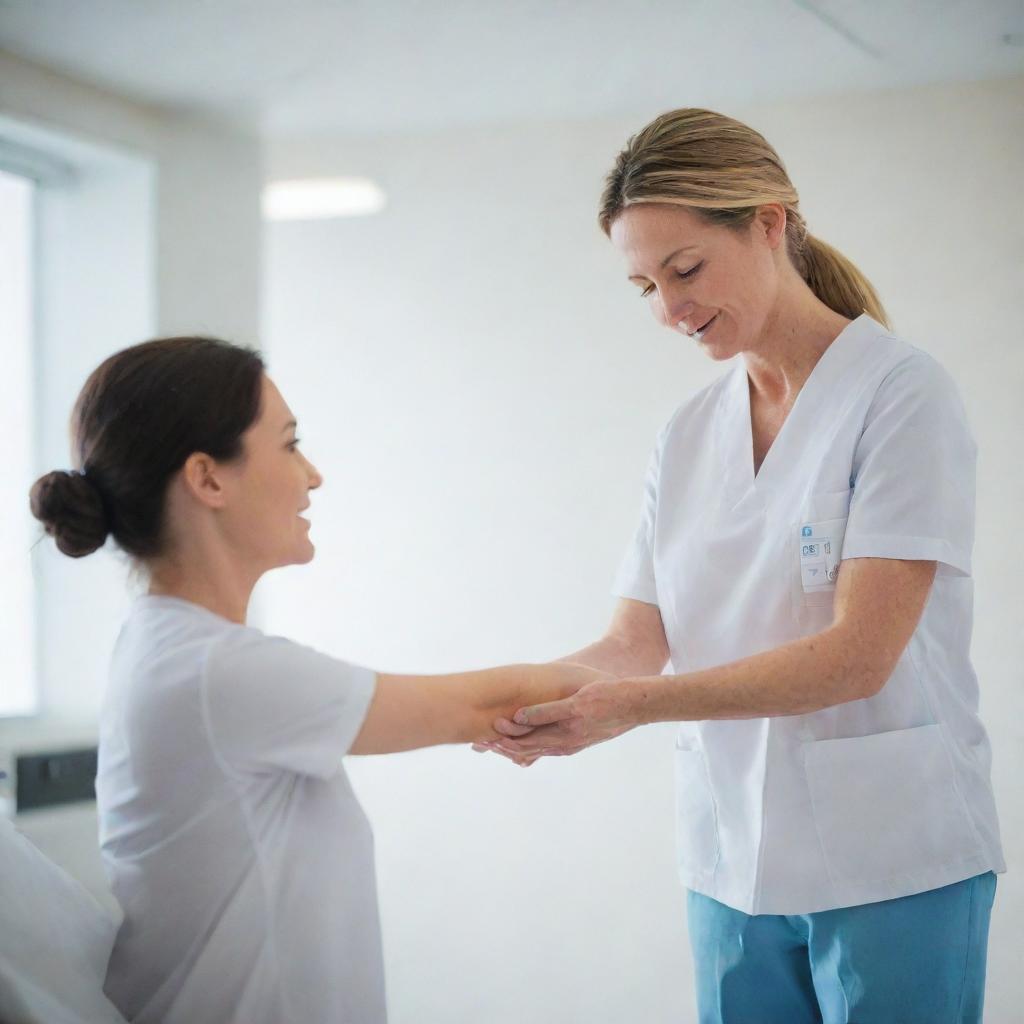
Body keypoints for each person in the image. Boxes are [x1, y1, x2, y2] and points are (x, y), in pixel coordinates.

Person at [479, 108, 1005, 1023]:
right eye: (643, 285)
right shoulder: (686, 435)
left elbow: (858, 657)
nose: (668, 310)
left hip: (893, 856)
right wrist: (524, 695)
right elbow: (633, 644)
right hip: (729, 861)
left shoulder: (900, 395)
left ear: (769, 222)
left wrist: (630, 709)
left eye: (685, 270)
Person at [28, 336, 603, 1024]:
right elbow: (488, 705)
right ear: (208, 479)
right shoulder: (218, 671)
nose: (313, 475)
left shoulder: (168, 649)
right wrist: (666, 673)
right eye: (290, 444)